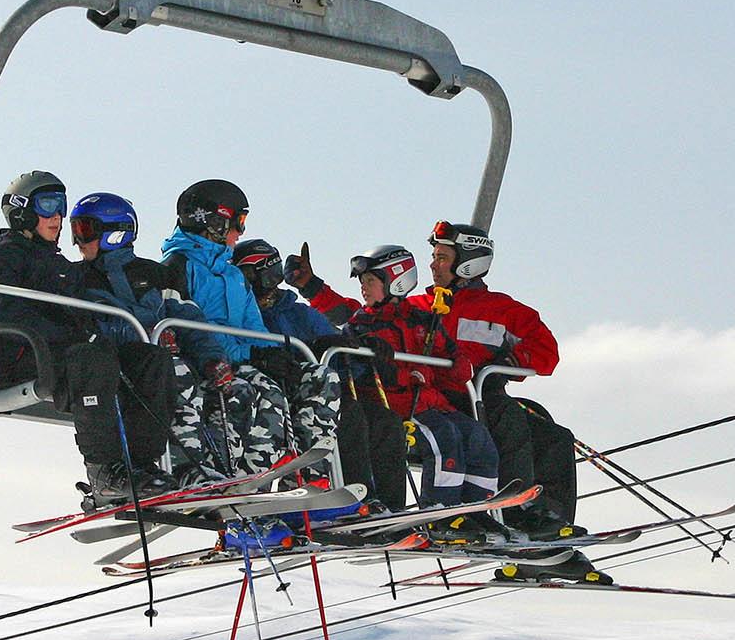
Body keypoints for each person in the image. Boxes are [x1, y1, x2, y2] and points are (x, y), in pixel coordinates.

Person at [0, 171, 172, 504]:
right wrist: (71, 336)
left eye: (62, 206)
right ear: (21, 211)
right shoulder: (7, 258)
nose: (58, 216)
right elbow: (7, 312)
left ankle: (140, 465)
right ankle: (103, 472)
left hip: (71, 354)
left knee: (150, 359)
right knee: (92, 358)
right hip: (28, 356)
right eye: (48, 205)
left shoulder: (57, 263)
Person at [304, 245, 500, 536]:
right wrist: (374, 356)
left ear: (395, 280)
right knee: (442, 439)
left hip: (433, 402)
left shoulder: (422, 320)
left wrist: (455, 365)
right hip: (401, 406)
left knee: (478, 437)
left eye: (370, 281)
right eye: (362, 282)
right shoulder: (361, 326)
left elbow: (453, 360)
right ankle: (440, 511)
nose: (363, 288)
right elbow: (353, 366)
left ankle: (475, 508)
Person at [414, 220, 580, 538]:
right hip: (440, 398)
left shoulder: (501, 310)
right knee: (507, 418)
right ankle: (518, 509)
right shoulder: (420, 308)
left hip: (481, 395)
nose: (433, 266)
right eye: (434, 257)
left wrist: (507, 364)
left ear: (468, 264)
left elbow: (546, 352)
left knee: (554, 436)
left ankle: (550, 518)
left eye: (442, 258)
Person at [69, 191, 227, 484]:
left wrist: (213, 359)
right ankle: (182, 469)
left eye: (85, 230)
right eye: (75, 230)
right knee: (176, 374)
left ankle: (229, 471)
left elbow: (188, 318)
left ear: (115, 232)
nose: (79, 240)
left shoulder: (154, 274)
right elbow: (91, 325)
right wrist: (148, 335)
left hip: (157, 358)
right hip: (125, 361)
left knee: (233, 389)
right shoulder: (77, 278)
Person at [231, 238, 396, 509]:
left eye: (269, 274)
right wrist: (310, 349)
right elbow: (258, 349)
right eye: (251, 275)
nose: (266, 284)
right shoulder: (245, 312)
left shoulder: (296, 312)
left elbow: (338, 346)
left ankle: (387, 506)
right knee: (350, 414)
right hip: (277, 390)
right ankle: (355, 498)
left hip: (314, 388)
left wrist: (365, 350)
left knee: (383, 419)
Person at [157, 179, 299, 474]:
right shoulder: (178, 267)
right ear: (215, 222)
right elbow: (191, 327)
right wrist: (250, 356)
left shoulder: (234, 276)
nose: (240, 232)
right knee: (250, 391)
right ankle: (229, 472)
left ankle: (299, 470)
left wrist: (271, 355)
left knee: (314, 378)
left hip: (241, 359)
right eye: (238, 222)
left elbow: (254, 329)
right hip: (205, 363)